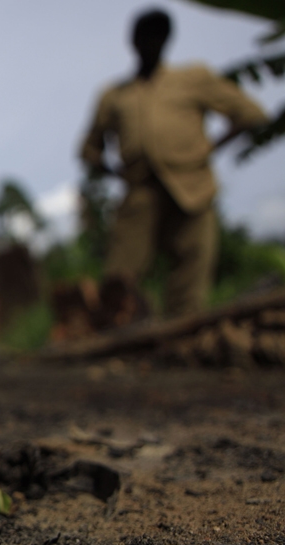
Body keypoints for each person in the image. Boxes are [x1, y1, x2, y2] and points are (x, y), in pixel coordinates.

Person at [79, 9, 267, 321]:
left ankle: (181, 339)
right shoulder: (114, 96)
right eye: (144, 36)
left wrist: (208, 149)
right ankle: (122, 334)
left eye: (157, 36)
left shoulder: (192, 79)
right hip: (139, 190)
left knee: (190, 276)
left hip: (193, 186)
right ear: (133, 41)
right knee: (119, 279)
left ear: (166, 40)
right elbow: (89, 150)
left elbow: (249, 114)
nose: (149, 43)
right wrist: (116, 172)